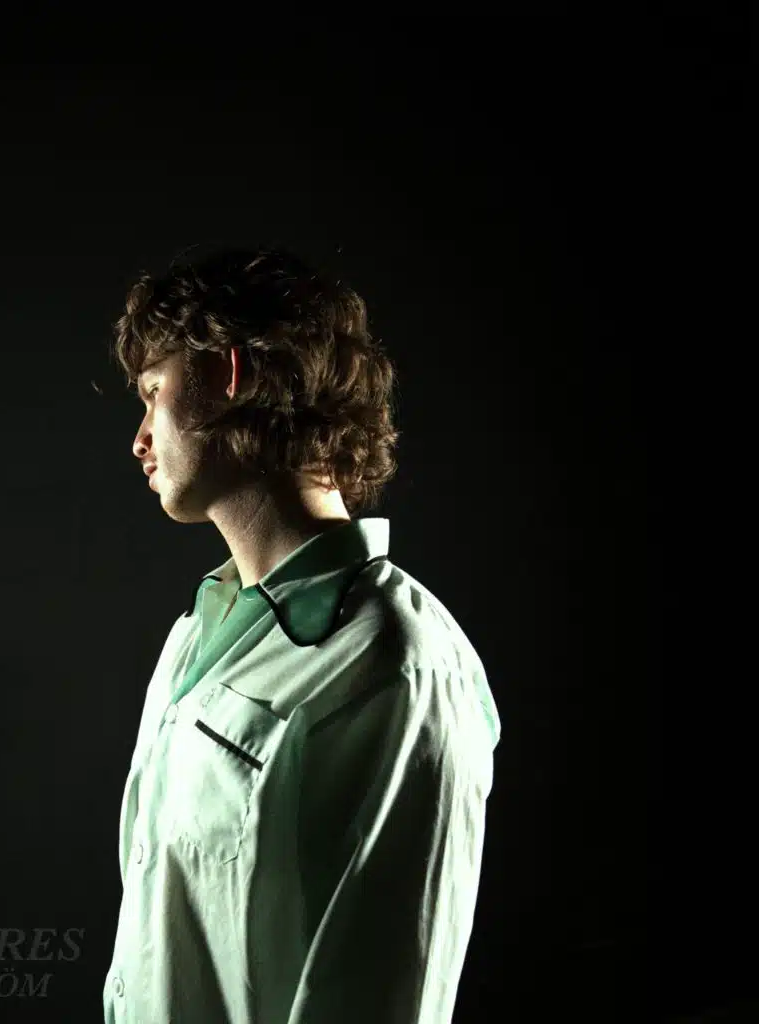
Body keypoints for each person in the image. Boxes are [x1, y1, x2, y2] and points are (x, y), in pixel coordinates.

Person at [103, 246, 501, 1024]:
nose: (140, 439)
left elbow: (388, 993)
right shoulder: (193, 637)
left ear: (229, 374)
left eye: (154, 393)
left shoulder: (401, 663)